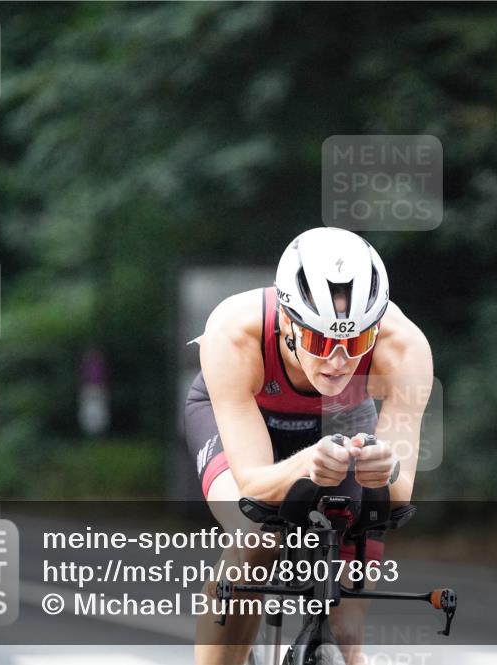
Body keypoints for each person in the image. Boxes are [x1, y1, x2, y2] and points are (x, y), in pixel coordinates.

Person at [186, 227, 433, 665]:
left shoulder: (406, 347)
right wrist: (306, 464)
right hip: (245, 424)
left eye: (355, 343)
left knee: (348, 631)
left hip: (342, 422)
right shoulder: (234, 330)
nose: (338, 362)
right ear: (287, 322)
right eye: (321, 342)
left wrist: (386, 468)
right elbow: (253, 484)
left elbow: (399, 492)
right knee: (255, 538)